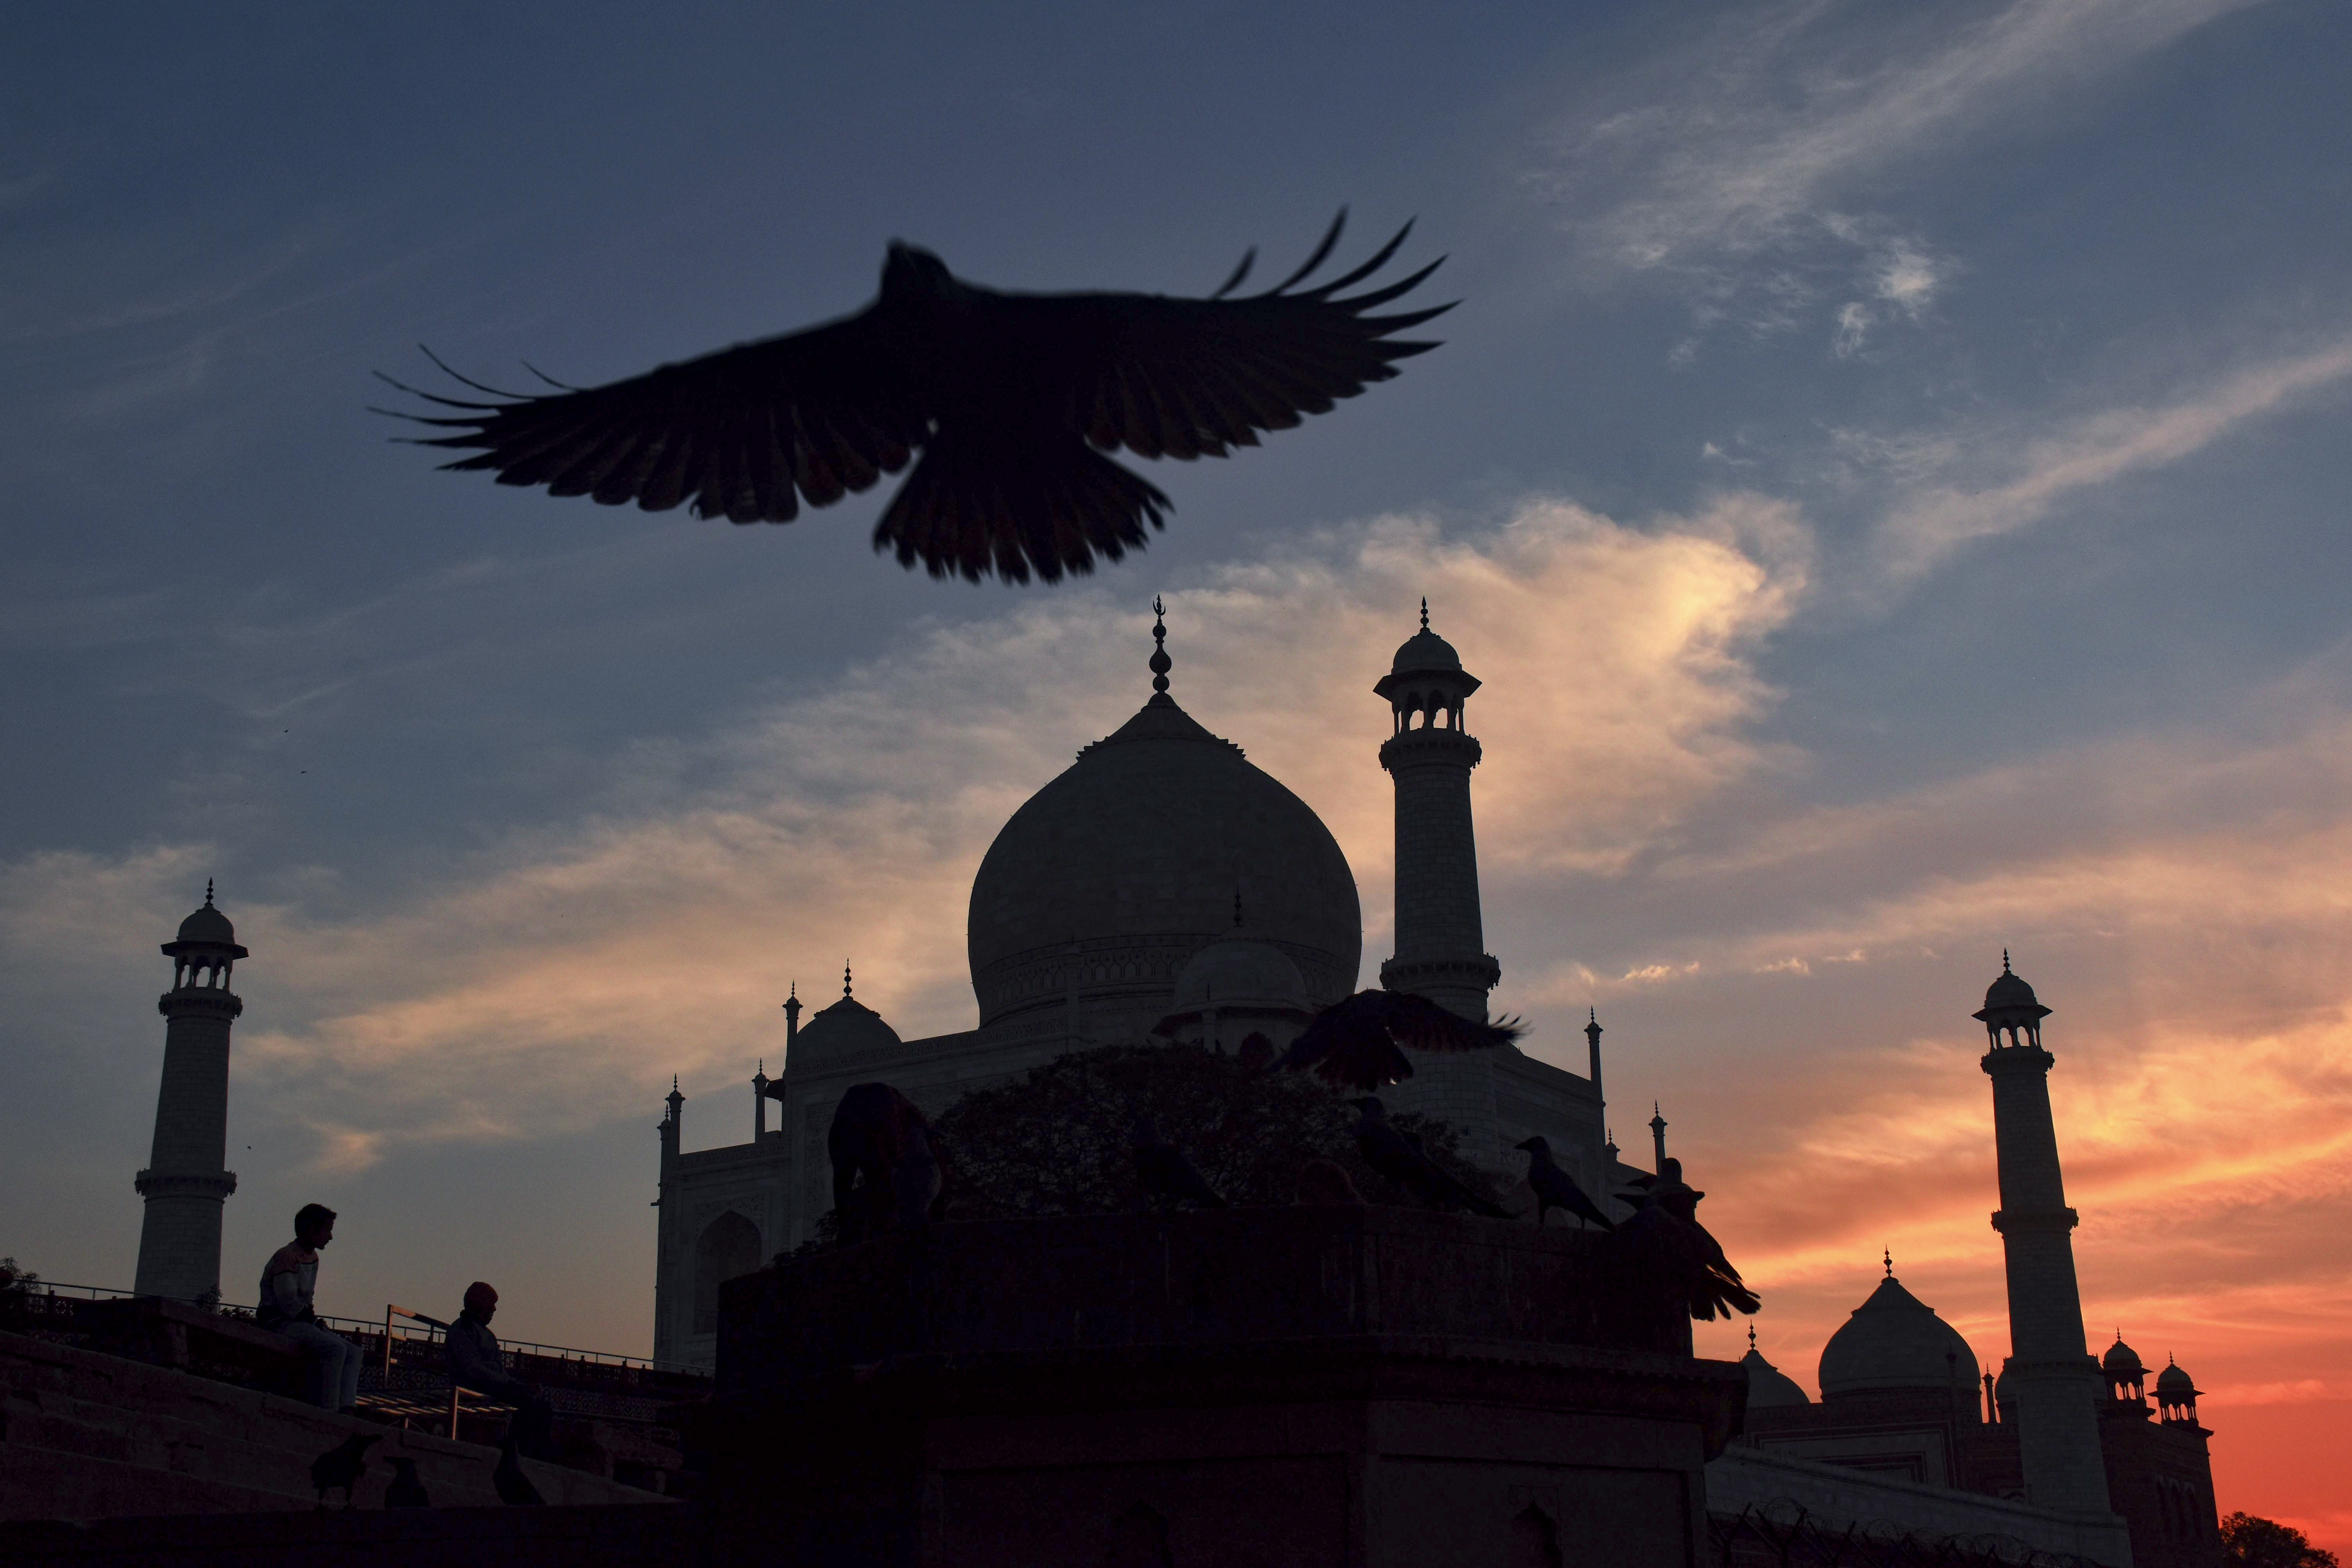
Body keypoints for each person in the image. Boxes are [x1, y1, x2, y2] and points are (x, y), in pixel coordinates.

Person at [256, 1203, 362, 1414]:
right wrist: (312, 1321)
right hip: (279, 1322)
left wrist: (312, 1321)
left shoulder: (312, 1257)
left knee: (355, 1352)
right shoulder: (286, 1256)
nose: (330, 1237)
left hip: (300, 1321)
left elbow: (306, 1299)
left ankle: (347, 1407)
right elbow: (288, 1302)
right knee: (336, 1350)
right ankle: (329, 1409)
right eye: (327, 1230)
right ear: (312, 1229)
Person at [444, 1281, 554, 1459]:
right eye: (491, 1304)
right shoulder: (462, 1329)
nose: (494, 1309)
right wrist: (509, 1384)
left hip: (492, 1386)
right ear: (480, 1304)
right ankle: (518, 1452)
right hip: (475, 1386)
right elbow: (473, 1370)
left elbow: (500, 1373)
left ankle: (530, 1453)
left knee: (541, 1404)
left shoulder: (486, 1334)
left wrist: (519, 1385)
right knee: (530, 1405)